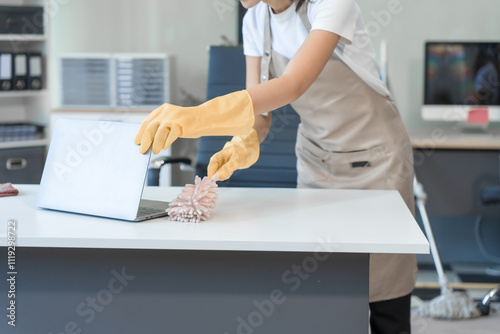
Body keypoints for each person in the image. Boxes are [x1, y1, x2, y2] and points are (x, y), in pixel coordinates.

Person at [134, 1, 417, 333]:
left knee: (385, 294)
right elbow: (260, 113)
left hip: (375, 162)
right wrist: (245, 141)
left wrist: (196, 117)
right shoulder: (255, 20)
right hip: (316, 161)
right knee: (322, 285)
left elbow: (293, 84)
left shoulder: (332, 5)